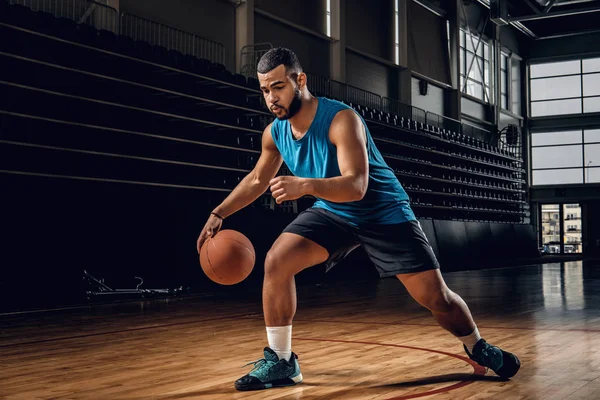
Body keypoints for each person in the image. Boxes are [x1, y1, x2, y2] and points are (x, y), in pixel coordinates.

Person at [196, 47, 520, 391]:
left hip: (383, 211)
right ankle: (281, 361)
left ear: (299, 80)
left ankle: (477, 346)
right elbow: (258, 180)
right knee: (277, 260)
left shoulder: (341, 119)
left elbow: (357, 185)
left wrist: (304, 185)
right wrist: (219, 213)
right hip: (333, 212)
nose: (271, 98)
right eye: (265, 90)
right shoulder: (274, 133)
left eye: (278, 87)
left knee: (436, 299)